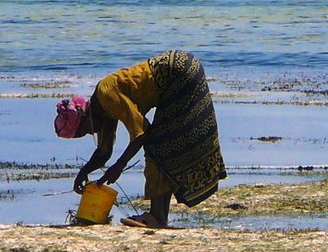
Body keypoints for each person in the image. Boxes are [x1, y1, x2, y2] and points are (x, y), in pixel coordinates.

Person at [55, 50, 227, 228]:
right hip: (181, 71)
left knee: (157, 143)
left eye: (86, 130)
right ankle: (160, 217)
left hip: (178, 72)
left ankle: (156, 216)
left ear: (86, 117)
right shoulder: (102, 114)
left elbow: (141, 133)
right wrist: (83, 173)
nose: (92, 133)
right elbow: (104, 152)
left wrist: (120, 165)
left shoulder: (106, 95)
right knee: (162, 143)